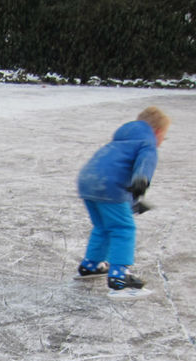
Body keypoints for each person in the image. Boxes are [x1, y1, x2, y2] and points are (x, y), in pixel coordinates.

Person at [76, 106, 170, 291]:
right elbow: (146, 163)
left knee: (102, 226)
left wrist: (133, 201)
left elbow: (113, 168)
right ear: (158, 132)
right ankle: (119, 274)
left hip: (87, 182)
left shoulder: (120, 141)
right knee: (123, 228)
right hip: (110, 187)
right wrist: (141, 181)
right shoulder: (147, 143)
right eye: (163, 136)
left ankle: (91, 264)